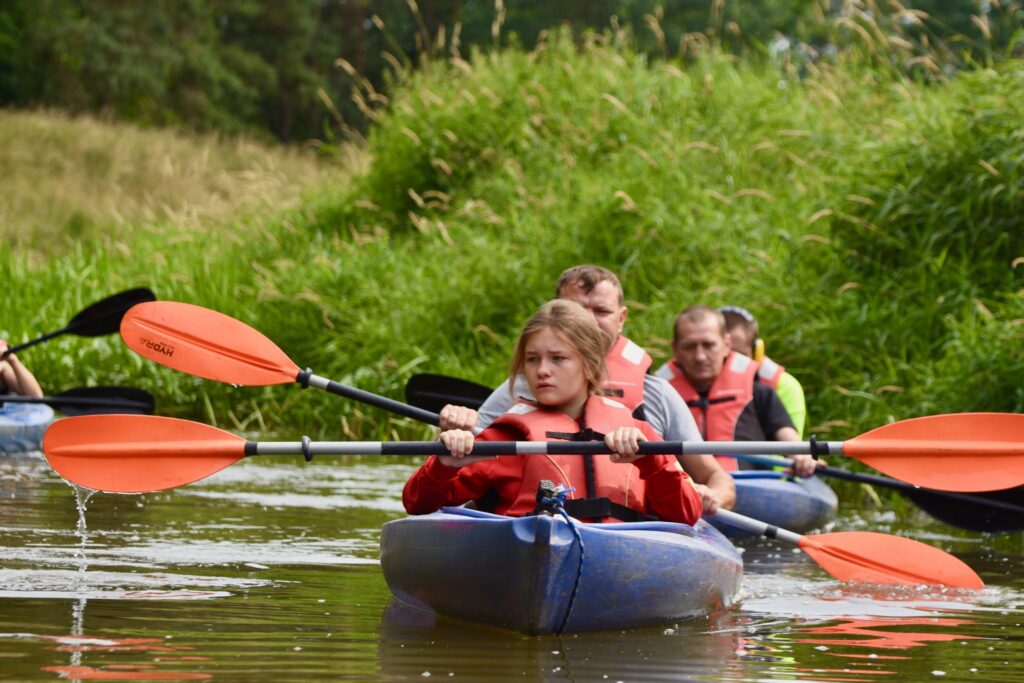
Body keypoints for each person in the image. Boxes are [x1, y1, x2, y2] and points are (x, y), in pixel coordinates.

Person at [441, 265, 735, 514]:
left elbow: (714, 478)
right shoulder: (517, 390)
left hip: (635, 534)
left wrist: (711, 497)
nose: (589, 321)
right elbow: (456, 466)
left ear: (621, 319)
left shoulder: (657, 394)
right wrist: (450, 437)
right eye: (577, 310)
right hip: (532, 530)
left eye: (601, 311)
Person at [403, 299, 704, 526]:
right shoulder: (504, 438)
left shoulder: (639, 434)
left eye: (558, 359)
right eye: (532, 359)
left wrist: (651, 461)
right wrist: (444, 465)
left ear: (589, 364)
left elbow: (688, 513)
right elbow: (417, 504)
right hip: (532, 555)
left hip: (622, 559)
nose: (542, 370)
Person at [654, 306, 817, 477]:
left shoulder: (760, 393)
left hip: (751, 487)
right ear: (675, 349)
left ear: (726, 345)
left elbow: (791, 443)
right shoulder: (658, 399)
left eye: (709, 345)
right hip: (686, 490)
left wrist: (803, 458)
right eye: (689, 347)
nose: (700, 356)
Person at [720, 305, 808, 437]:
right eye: (724, 355)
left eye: (738, 355)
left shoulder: (785, 386)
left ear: (757, 352)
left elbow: (790, 447)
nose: (730, 362)